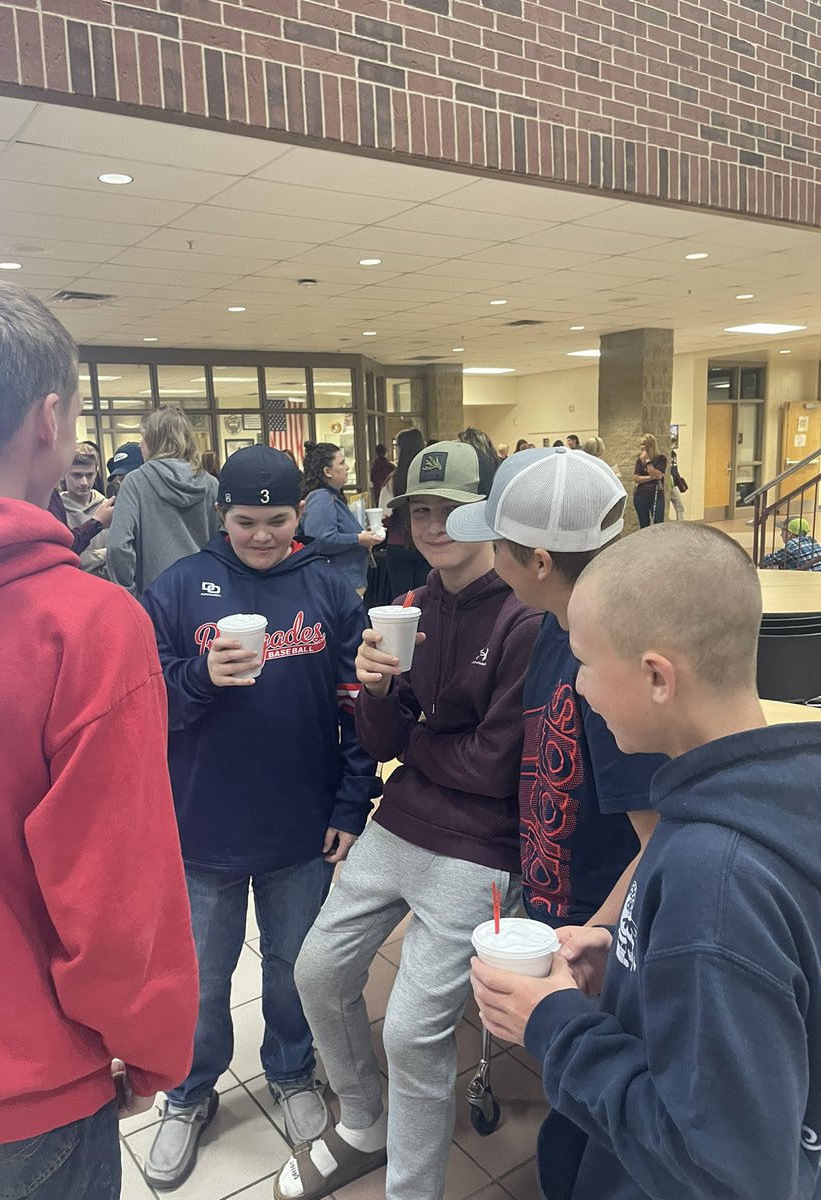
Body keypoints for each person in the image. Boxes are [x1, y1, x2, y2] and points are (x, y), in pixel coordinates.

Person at [0, 277, 199, 1199]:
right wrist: (153, 1051)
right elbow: (118, 901)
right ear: (50, 420)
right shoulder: (83, 625)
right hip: (21, 1087)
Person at [471, 522, 821, 1200]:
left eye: (586, 662)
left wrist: (555, 1025)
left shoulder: (712, 877)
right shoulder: (756, 796)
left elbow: (725, 1174)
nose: (577, 687)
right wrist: (622, 958)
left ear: (658, 677)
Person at [275, 440, 543, 1200]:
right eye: (421, 510)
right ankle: (364, 1123)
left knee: (411, 1032)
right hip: (403, 822)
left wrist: (416, 744)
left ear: (490, 512)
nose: (435, 524)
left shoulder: (525, 618)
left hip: (482, 845)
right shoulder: (413, 609)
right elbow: (385, 745)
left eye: (455, 508)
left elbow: (494, 766)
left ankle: (413, 1189)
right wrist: (378, 694)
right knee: (318, 973)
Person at [140, 445, 380, 1191]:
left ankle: (291, 1070)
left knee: (292, 968)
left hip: (301, 822)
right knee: (204, 979)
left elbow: (358, 705)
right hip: (203, 826)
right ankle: (187, 1092)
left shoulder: (331, 586)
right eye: (247, 521)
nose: (264, 536)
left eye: (278, 521)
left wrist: (351, 801)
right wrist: (198, 677)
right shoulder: (177, 589)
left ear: (298, 515)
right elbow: (144, 703)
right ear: (223, 515)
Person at [447, 447, 665, 927]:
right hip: (550, 897)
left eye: (497, 546)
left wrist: (590, 940)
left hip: (595, 922)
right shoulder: (553, 623)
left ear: (540, 564)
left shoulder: (611, 668)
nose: (491, 557)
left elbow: (657, 839)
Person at [106, 407, 218, 597]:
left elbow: (118, 546)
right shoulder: (211, 484)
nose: (140, 445)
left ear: (153, 441)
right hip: (204, 593)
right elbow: (222, 542)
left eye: (143, 437)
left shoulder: (135, 482)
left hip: (155, 598)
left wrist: (128, 595)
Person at [301, 441, 381, 595]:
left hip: (345, 581)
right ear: (327, 471)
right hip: (339, 583)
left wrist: (365, 535)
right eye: (342, 463)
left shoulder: (331, 496)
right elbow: (321, 540)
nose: (347, 467)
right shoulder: (321, 498)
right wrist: (358, 539)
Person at [379, 428, 429, 599]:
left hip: (398, 546)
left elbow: (384, 517)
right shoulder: (428, 479)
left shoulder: (393, 479)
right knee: (427, 598)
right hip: (426, 543)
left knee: (402, 603)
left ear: (400, 448)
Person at [60, 443, 112, 575]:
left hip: (106, 586)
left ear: (96, 473)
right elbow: (61, 559)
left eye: (89, 475)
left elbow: (118, 555)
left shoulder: (108, 507)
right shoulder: (55, 510)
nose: (84, 482)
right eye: (76, 475)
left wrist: (85, 559)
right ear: (64, 474)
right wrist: (104, 555)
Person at [632, 433, 667, 528]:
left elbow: (658, 475)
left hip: (656, 495)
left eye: (643, 444)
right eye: (641, 444)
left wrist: (648, 461)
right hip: (641, 496)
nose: (641, 447)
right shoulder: (639, 461)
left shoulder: (661, 459)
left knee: (658, 525)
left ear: (651, 446)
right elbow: (636, 478)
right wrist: (652, 477)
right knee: (644, 526)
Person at [668, 446, 687, 520]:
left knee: (679, 506)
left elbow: (675, 469)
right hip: (667, 484)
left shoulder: (674, 454)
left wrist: (679, 481)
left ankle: (681, 524)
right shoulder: (664, 454)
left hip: (674, 484)